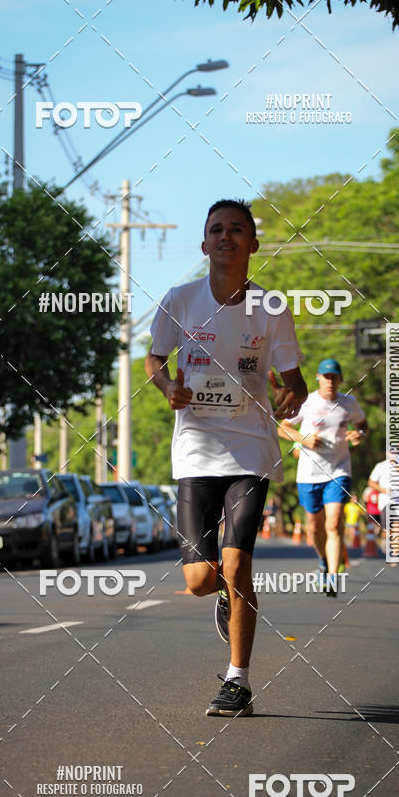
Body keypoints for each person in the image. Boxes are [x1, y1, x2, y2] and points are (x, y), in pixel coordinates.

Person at [145, 198, 307, 717]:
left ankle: (238, 681)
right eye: (217, 229)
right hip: (195, 451)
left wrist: (292, 396)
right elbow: (154, 357)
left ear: (253, 244)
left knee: (238, 565)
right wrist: (168, 384)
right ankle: (222, 596)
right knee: (199, 580)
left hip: (250, 449)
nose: (226, 237)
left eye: (238, 230)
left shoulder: (271, 310)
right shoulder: (180, 299)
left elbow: (294, 380)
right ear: (204, 243)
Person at [278, 359, 368, 595]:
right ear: (318, 377)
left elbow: (363, 426)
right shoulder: (306, 401)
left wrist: (358, 435)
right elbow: (283, 427)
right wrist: (303, 439)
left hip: (339, 470)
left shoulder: (349, 402)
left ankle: (332, 577)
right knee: (315, 529)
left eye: (334, 377)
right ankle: (324, 560)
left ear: (340, 380)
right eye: (326, 377)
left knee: (334, 523)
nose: (330, 381)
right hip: (309, 473)